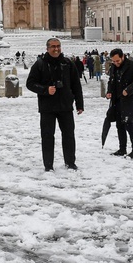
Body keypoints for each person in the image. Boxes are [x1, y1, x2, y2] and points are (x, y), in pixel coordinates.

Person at [26, 38, 84, 171]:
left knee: (69, 135)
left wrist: (79, 104)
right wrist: (45, 90)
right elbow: (30, 84)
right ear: (47, 48)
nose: (56, 49)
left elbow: (76, 85)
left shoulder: (68, 63)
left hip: (65, 106)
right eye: (53, 46)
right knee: (47, 137)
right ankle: (48, 165)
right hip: (47, 107)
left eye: (58, 46)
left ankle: (70, 162)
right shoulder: (40, 64)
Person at [105, 48, 133, 158]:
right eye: (113, 61)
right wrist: (109, 91)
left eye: (117, 61)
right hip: (117, 100)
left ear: (123, 57)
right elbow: (111, 81)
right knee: (119, 125)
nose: (116, 63)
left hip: (130, 100)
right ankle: (122, 148)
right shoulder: (113, 67)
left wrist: (129, 89)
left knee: (129, 124)